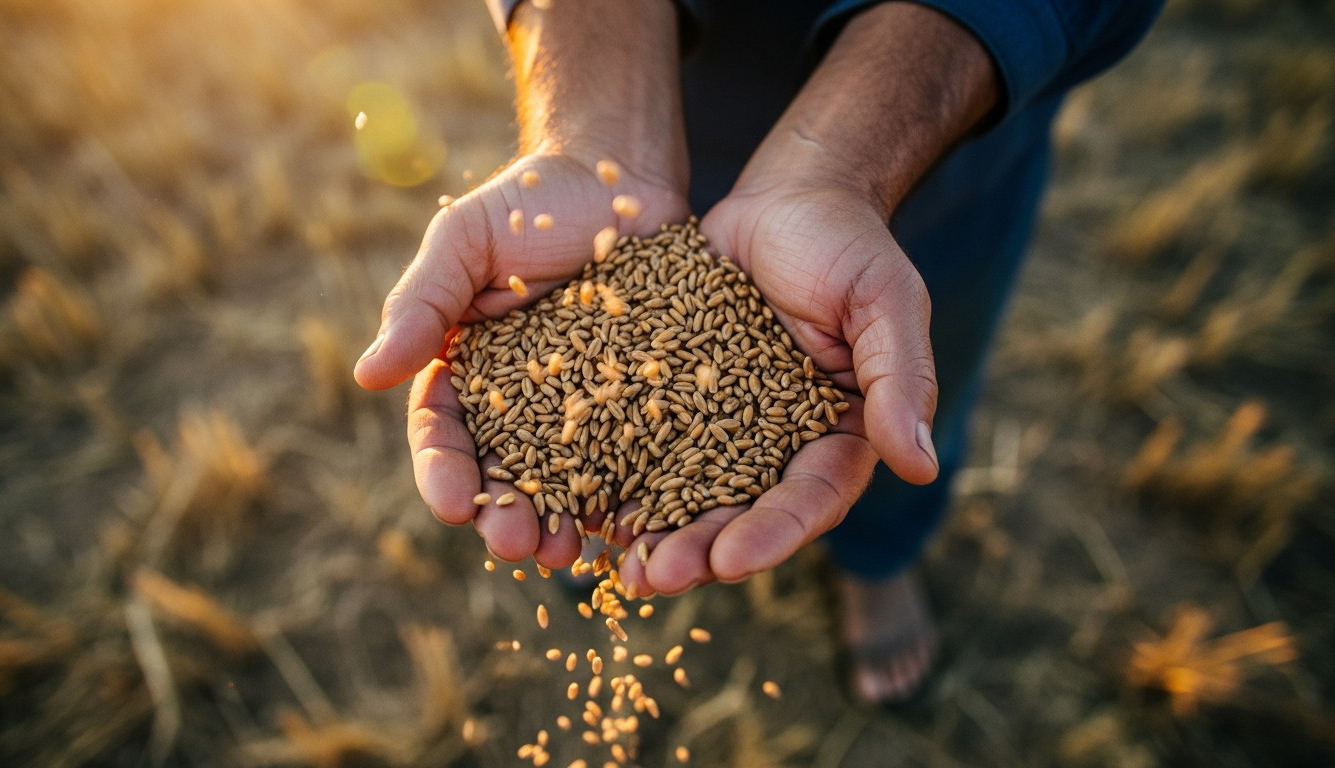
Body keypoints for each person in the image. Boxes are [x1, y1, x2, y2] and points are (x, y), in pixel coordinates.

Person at [354, 0, 1164, 703]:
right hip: (678, 76)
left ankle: (879, 556)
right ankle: (610, 509)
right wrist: (594, 129)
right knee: (853, 389)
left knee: (896, 375)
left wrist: (837, 171)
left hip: (942, 125)